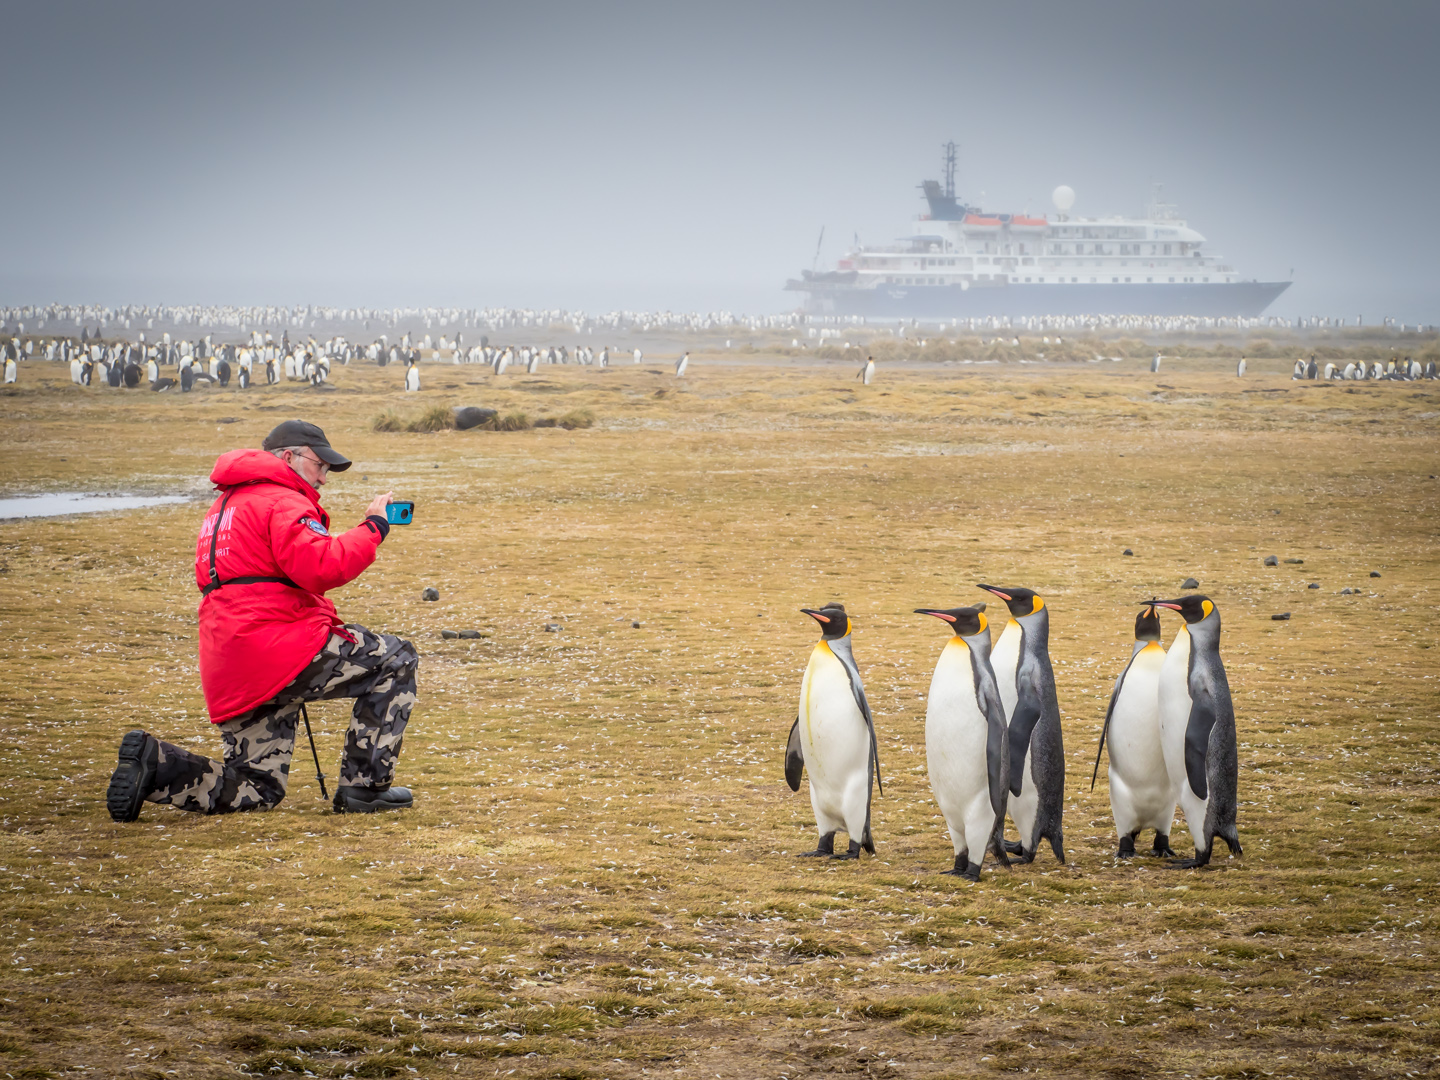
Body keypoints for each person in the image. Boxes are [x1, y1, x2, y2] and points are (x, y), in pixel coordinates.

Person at [106, 420, 419, 820]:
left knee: (257, 786)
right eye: (319, 463)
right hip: (280, 649)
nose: (324, 476)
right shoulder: (282, 501)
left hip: (229, 658)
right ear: (288, 457)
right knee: (396, 659)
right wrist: (373, 528)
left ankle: (157, 767)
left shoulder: (225, 506)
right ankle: (365, 788)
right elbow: (321, 567)